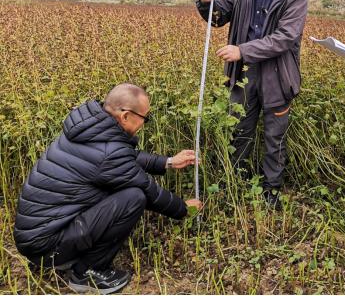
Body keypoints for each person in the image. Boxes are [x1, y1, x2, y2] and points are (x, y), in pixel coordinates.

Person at [13, 83, 203, 294]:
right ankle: (87, 272)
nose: (144, 123)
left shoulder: (89, 128)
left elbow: (122, 157)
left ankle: (70, 258)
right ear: (125, 116)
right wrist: (184, 208)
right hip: (47, 246)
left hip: (38, 235)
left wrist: (167, 162)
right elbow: (148, 190)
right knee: (134, 198)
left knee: (127, 193)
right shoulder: (109, 154)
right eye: (145, 118)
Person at [196, 0, 308, 209]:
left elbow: (285, 37)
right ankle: (238, 180)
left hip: (277, 74)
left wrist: (243, 50)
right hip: (242, 73)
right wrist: (205, 1)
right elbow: (220, 15)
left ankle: (271, 191)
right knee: (240, 128)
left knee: (274, 135)